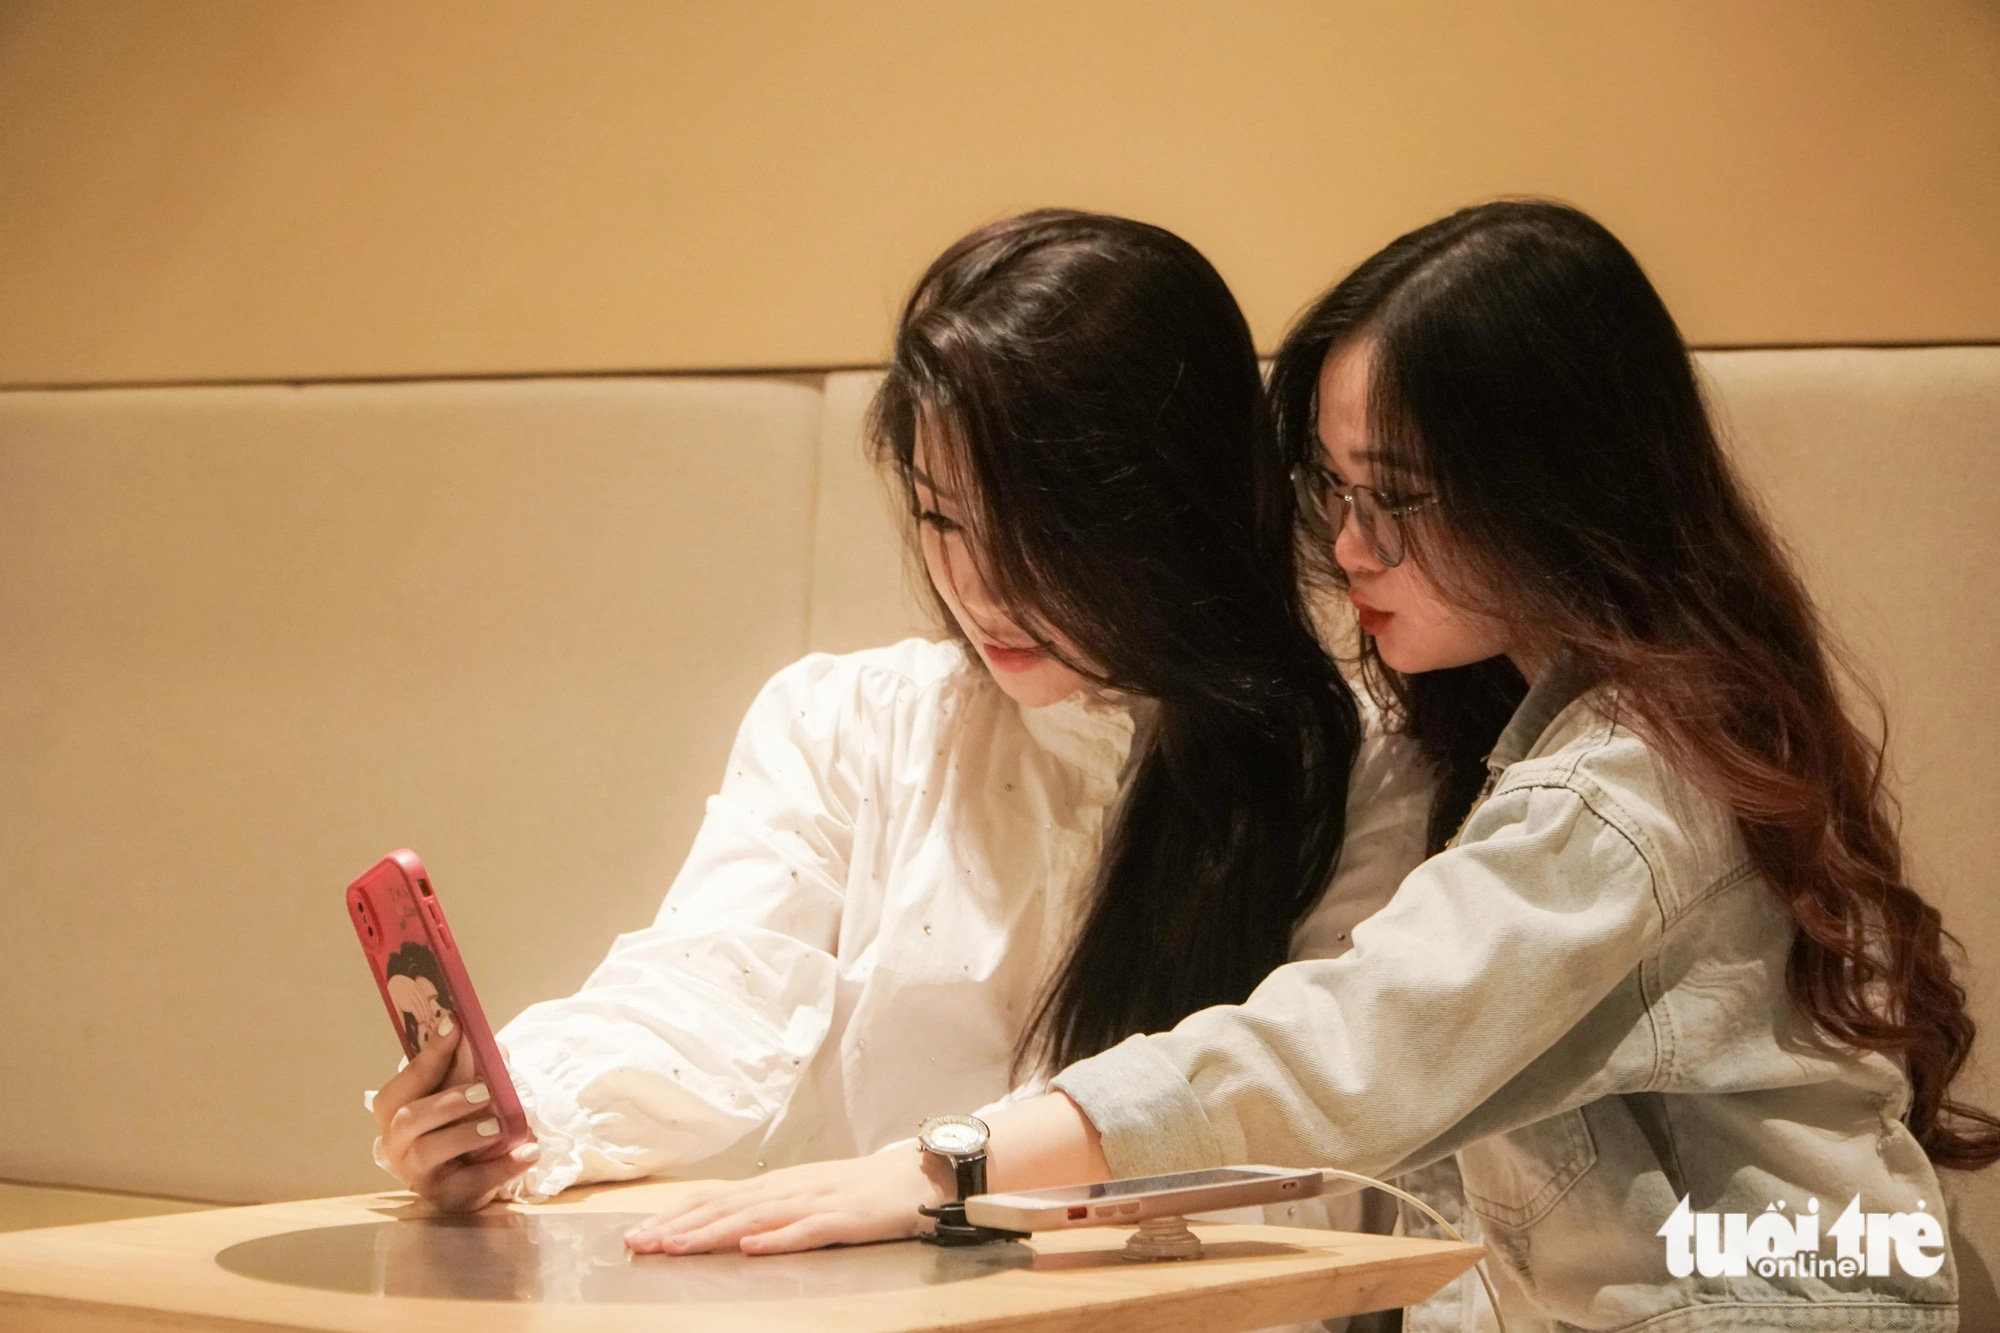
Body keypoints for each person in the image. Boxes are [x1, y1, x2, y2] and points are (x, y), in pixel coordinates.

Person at [631, 201, 1996, 1332]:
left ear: (1550, 483)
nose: (1348, 546)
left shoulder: (1622, 782)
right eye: (1333, 490)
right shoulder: (1538, 731)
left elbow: (1353, 1047)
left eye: (1393, 495)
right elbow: (1487, 1203)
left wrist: (949, 1165)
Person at [365, 210, 1431, 1227]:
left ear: (1164, 511)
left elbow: (1317, 1142)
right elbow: (708, 985)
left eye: (1031, 532)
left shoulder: (1346, 767)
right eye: (938, 517)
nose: (977, 584)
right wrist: (517, 1117)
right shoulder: (849, 724)